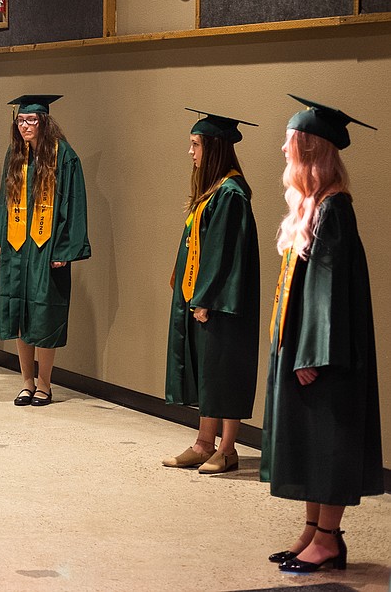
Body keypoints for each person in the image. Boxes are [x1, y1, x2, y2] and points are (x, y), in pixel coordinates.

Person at [261, 95, 383, 573]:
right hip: (304, 351)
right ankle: (312, 530)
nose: (282, 149)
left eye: (290, 142)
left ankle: (329, 538)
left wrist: (310, 354)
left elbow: (327, 293)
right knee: (310, 440)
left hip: (325, 355)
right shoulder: (313, 207)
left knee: (328, 440)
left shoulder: (334, 211)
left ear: (310, 149)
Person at [161, 109, 260, 474]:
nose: (191, 152)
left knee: (225, 370)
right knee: (209, 370)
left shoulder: (231, 194)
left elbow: (223, 253)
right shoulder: (212, 192)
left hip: (223, 302)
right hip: (203, 298)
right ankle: (204, 443)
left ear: (214, 148)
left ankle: (228, 449)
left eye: (196, 144)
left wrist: (206, 298)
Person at [0, 95, 89, 405]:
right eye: (20, 121)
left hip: (46, 250)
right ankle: (26, 382)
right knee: (19, 313)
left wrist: (64, 250)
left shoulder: (64, 157)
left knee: (42, 315)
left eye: (31, 120)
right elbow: (4, 199)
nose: (25, 126)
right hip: (17, 247)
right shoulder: (15, 155)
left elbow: (75, 205)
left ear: (44, 122)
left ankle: (45, 384)